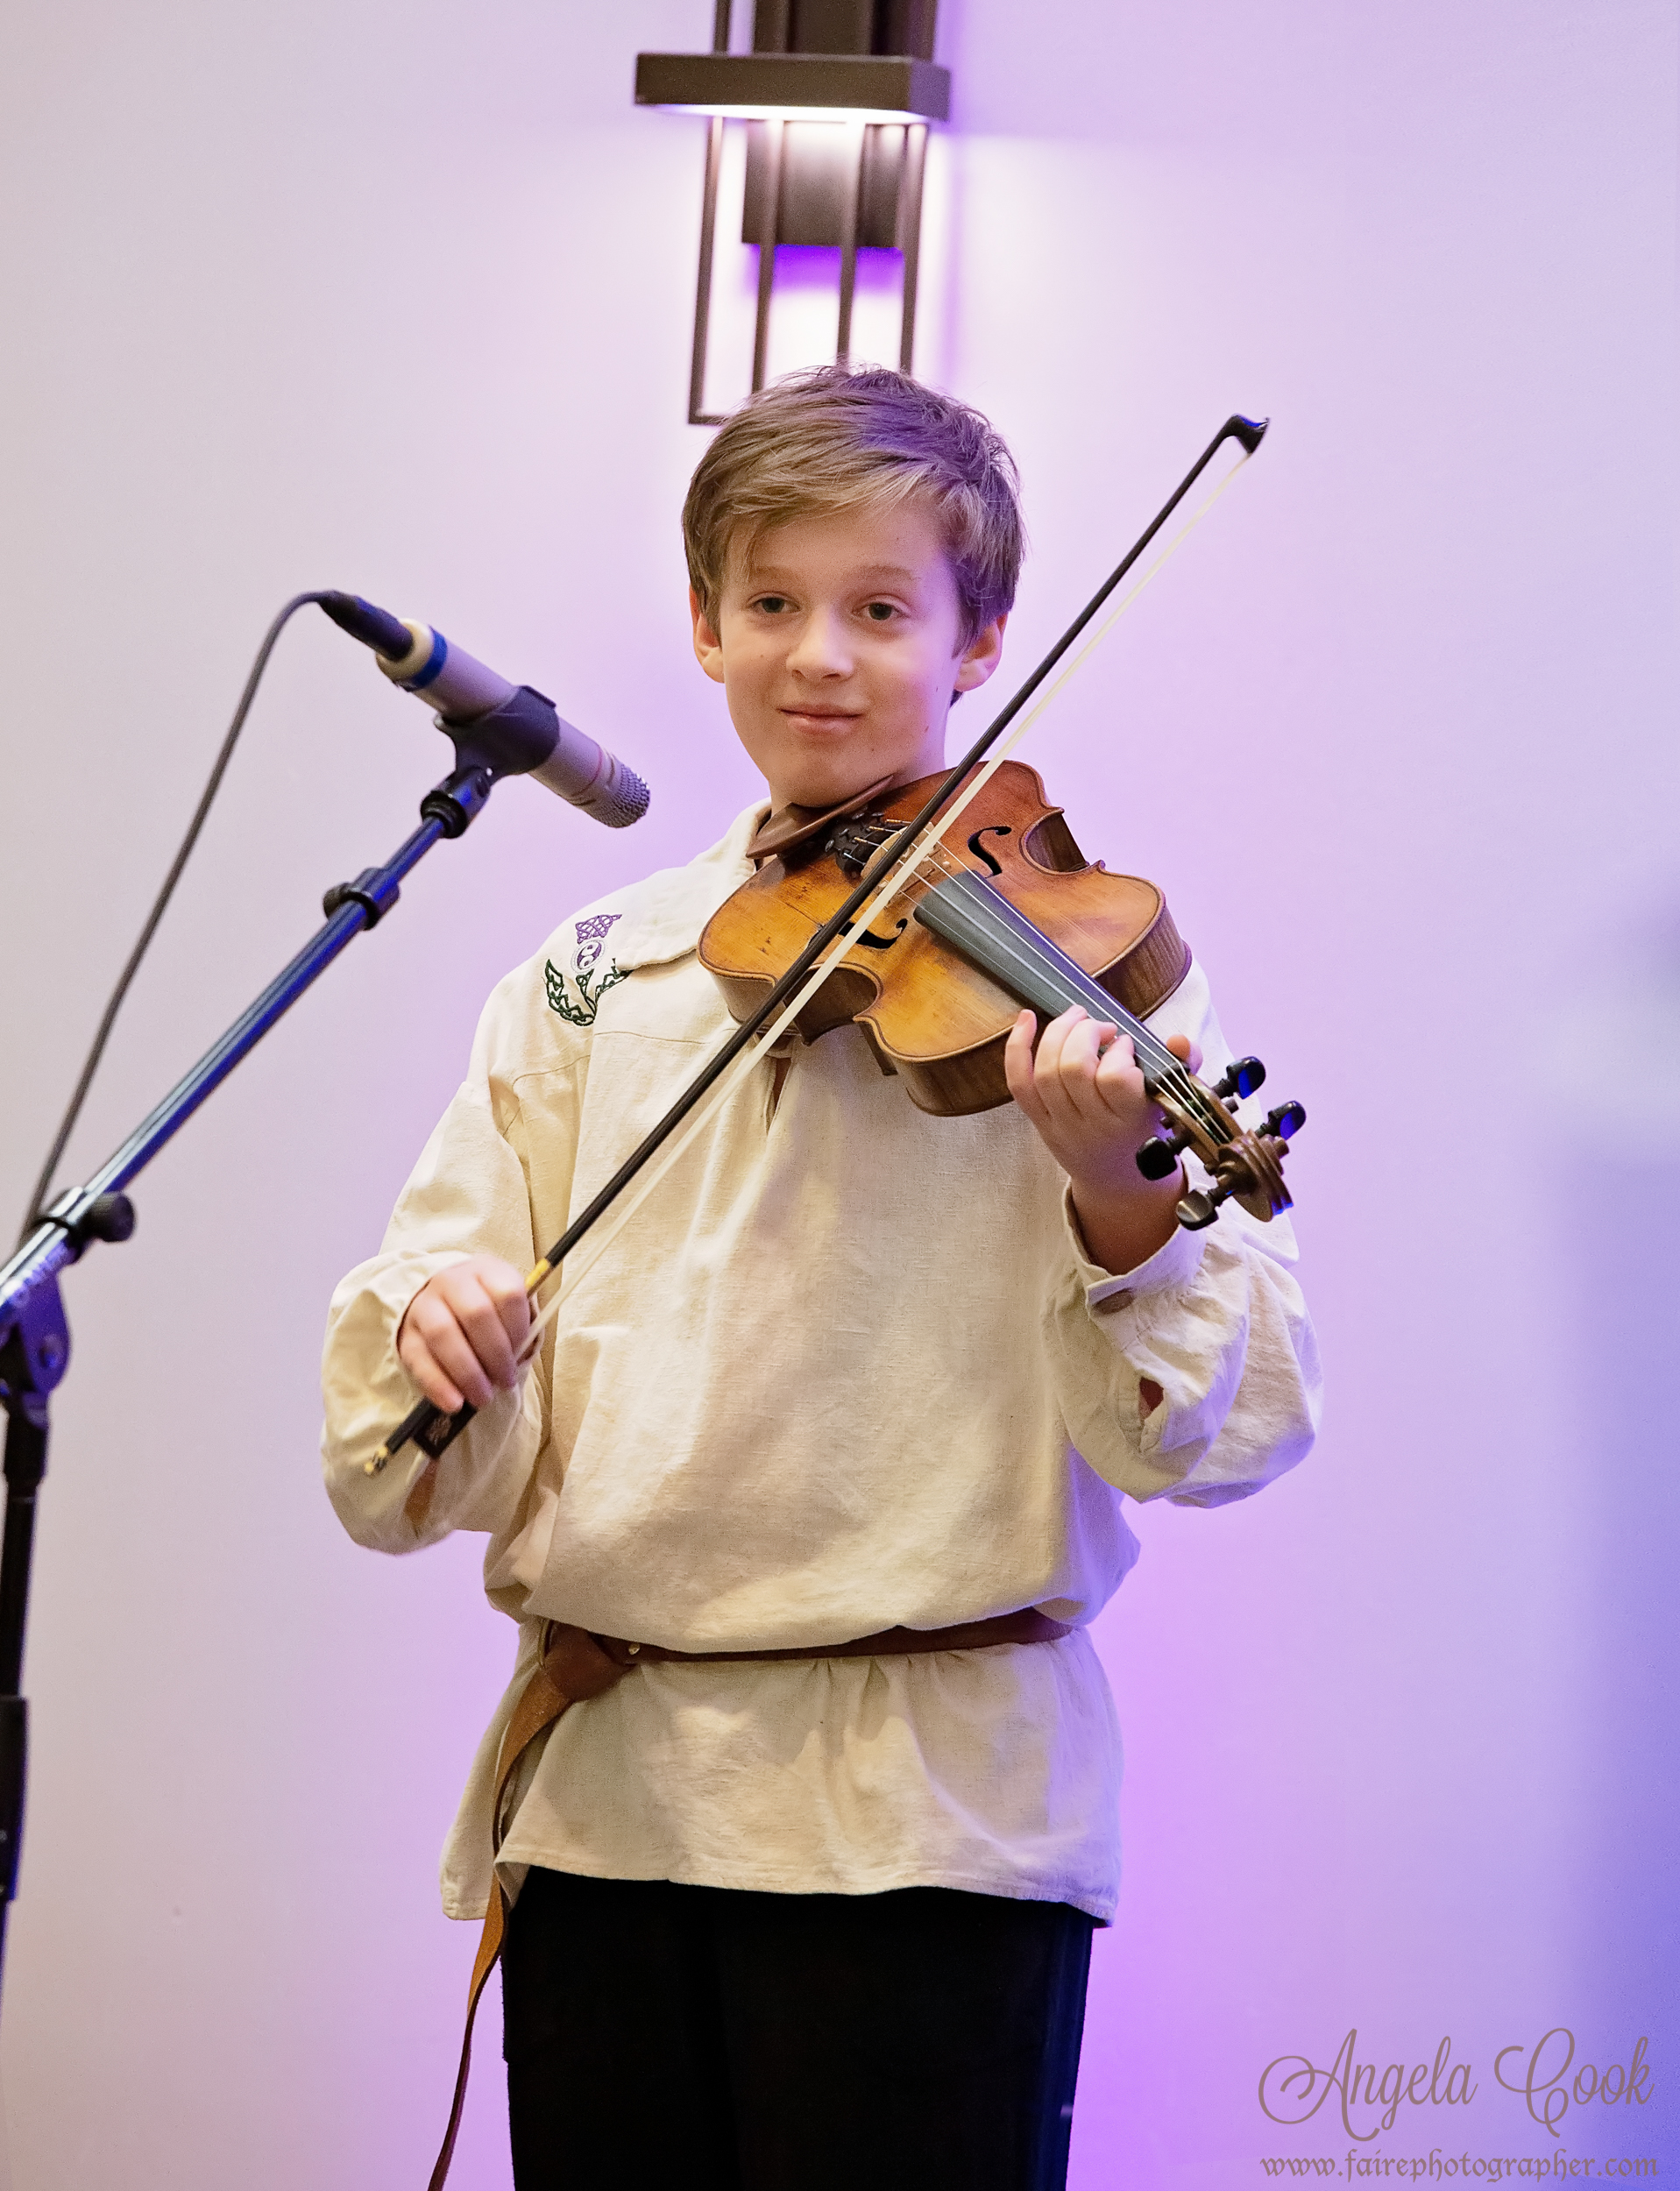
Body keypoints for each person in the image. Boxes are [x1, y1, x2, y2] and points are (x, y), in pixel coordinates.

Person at [320, 366, 1320, 2191]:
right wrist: (440, 1326)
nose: (819, 657)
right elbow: (415, 1395)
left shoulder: (1083, 970)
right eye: (771, 602)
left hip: (926, 1820)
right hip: (613, 1801)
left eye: (880, 610)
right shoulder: (595, 966)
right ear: (703, 625)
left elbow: (1234, 1430)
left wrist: (1121, 1193)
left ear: (979, 640)